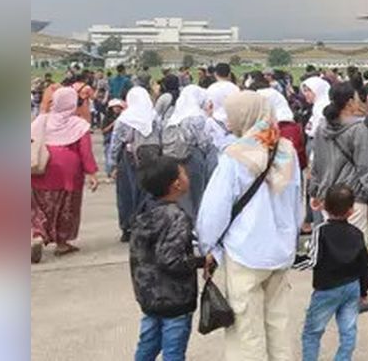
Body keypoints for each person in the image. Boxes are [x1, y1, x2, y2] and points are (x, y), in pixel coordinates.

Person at [196, 91, 302, 361]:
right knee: (278, 322)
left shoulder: (235, 155)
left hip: (246, 252)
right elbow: (296, 201)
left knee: (246, 330)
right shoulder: (286, 150)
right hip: (280, 251)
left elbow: (214, 211)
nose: (229, 122)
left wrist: (208, 246)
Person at [309, 83, 368, 295]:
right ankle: (359, 295)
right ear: (350, 102)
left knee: (332, 248)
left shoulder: (322, 127)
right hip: (353, 196)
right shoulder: (359, 129)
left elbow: (317, 163)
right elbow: (365, 167)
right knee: (357, 249)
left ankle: (335, 292)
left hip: (328, 195)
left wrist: (315, 191)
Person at [129, 156, 204, 361]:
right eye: (184, 173)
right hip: (175, 299)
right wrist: (200, 261)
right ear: (177, 184)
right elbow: (171, 259)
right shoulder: (176, 217)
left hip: (149, 296)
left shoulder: (143, 211)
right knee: (174, 351)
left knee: (148, 343)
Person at [301, 185, 368, 361]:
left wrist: (294, 263)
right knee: (348, 331)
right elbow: (365, 265)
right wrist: (363, 291)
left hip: (326, 288)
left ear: (324, 206)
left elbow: (313, 260)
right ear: (351, 210)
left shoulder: (321, 231)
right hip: (352, 286)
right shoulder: (357, 233)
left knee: (312, 332)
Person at [30, 87, 98, 261]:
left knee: (40, 204)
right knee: (67, 207)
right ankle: (62, 243)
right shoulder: (79, 124)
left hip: (42, 166)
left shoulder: (42, 119)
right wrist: (92, 174)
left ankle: (37, 234)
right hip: (69, 170)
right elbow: (85, 152)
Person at [108, 86, 164, 243]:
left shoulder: (124, 119)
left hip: (128, 159)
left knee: (126, 194)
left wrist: (112, 165)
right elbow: (161, 136)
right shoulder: (154, 117)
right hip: (152, 158)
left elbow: (115, 144)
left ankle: (127, 227)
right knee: (149, 191)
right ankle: (148, 225)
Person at [164, 85, 217, 218]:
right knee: (196, 192)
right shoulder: (197, 117)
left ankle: (181, 221)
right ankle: (194, 223)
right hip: (193, 157)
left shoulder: (173, 115)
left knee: (180, 192)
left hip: (174, 158)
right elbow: (204, 143)